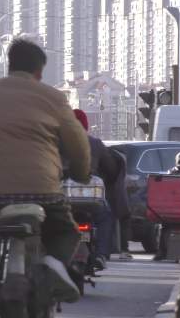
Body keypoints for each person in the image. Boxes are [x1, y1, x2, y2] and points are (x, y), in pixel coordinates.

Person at [0, 37, 90, 317]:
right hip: (44, 194)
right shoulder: (54, 98)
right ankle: (53, 263)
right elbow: (78, 143)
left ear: (9, 65)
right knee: (66, 231)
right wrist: (81, 172)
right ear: (39, 72)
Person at [71, 109, 129, 268]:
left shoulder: (57, 141)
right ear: (85, 126)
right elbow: (110, 169)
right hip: (90, 198)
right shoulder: (95, 143)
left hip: (64, 198)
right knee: (105, 217)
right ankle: (101, 254)